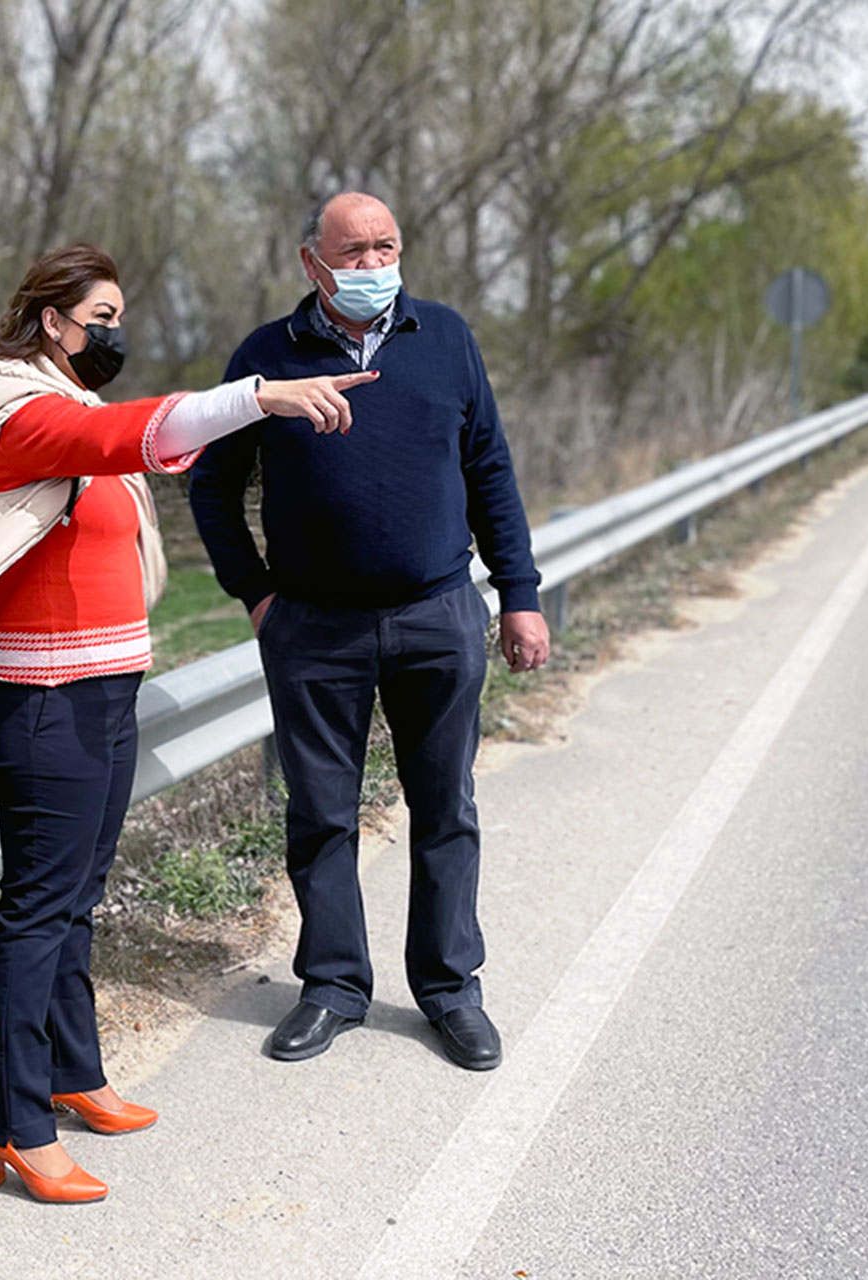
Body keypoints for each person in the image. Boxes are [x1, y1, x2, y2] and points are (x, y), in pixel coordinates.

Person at [0, 244, 374, 1203]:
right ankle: (14, 1126)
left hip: (104, 688)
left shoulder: (72, 405)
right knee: (40, 905)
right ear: (51, 322)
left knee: (79, 893)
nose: (116, 334)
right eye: (101, 319)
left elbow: (121, 468)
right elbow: (129, 436)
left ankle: (73, 1071)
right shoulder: (15, 414)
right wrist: (260, 397)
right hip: (40, 696)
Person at [188, 192, 550, 1073]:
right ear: (312, 261)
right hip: (313, 627)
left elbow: (489, 470)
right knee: (320, 814)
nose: (372, 265)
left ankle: (451, 990)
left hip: (437, 613)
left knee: (446, 808)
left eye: (385, 246)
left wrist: (520, 593)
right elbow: (211, 483)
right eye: (353, 252)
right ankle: (333, 987)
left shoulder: (446, 338)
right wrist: (258, 596)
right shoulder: (268, 357)